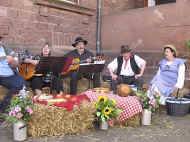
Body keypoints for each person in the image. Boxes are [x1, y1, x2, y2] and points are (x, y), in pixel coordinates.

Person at [0, 36, 25, 112]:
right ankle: (3, 109)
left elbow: (17, 62)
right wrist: (3, 57)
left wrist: (13, 61)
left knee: (22, 84)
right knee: (19, 84)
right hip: (1, 75)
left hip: (10, 74)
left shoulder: (5, 48)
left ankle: (5, 109)